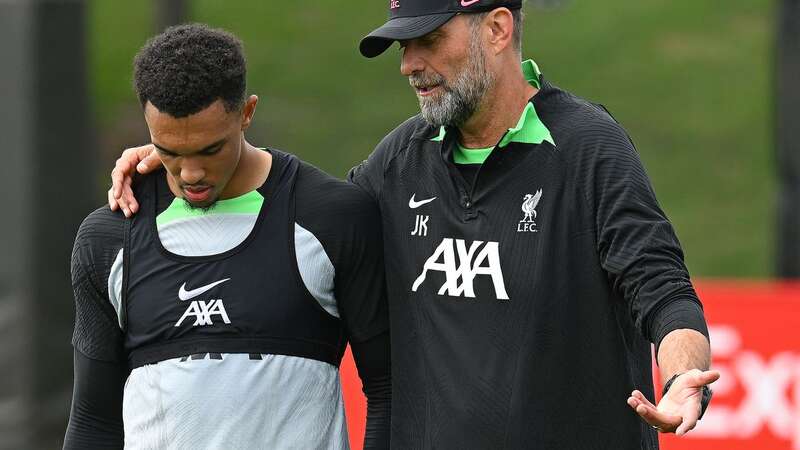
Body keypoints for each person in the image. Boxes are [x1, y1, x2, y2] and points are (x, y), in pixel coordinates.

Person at [109, 3, 719, 449]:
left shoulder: (588, 146)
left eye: (428, 40)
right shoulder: (400, 160)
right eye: (404, 47)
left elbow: (661, 289)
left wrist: (685, 373)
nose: (410, 65)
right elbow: (305, 219)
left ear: (498, 29)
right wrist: (181, 157)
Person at [64, 24, 390, 450]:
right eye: (170, 151)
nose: (191, 173)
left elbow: (388, 389)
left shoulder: (331, 218)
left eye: (209, 149)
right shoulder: (109, 238)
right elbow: (93, 421)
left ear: (247, 113)